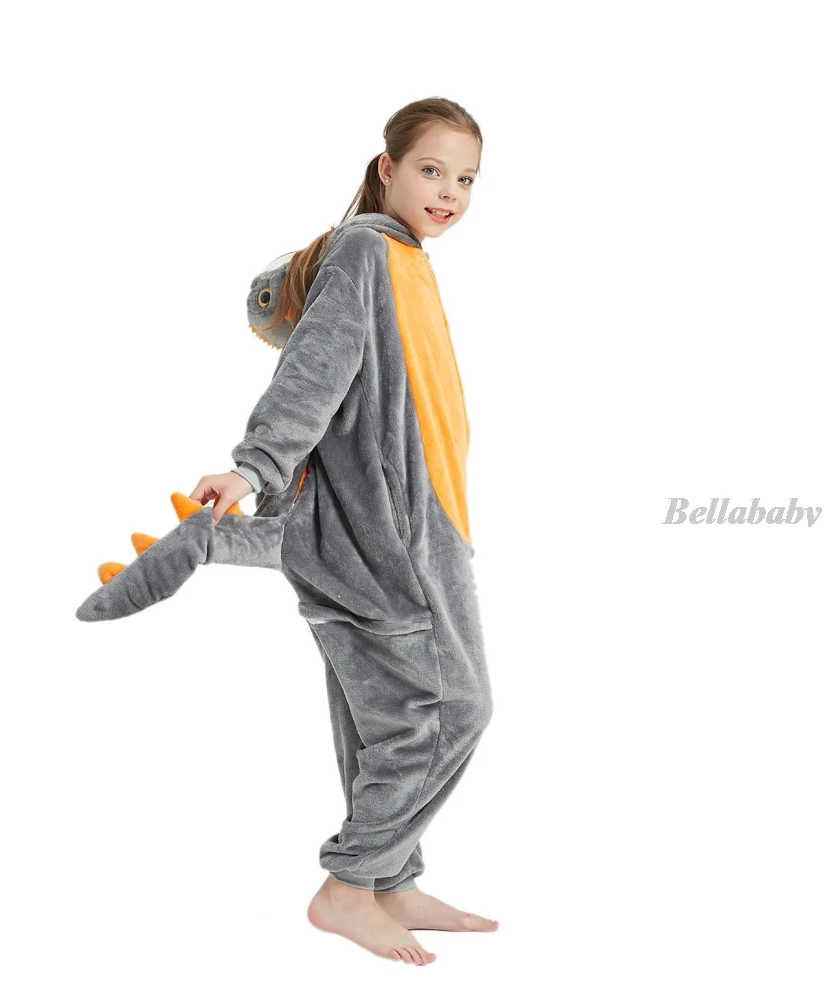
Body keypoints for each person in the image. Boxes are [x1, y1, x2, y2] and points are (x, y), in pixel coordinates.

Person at [190, 97, 496, 966]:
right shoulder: (367, 249)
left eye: (467, 178)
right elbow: (314, 372)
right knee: (452, 708)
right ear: (388, 168)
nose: (450, 191)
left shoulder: (406, 258)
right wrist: (254, 468)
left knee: (385, 717)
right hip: (392, 536)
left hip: (426, 524)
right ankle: (350, 884)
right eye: (432, 170)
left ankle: (390, 880)